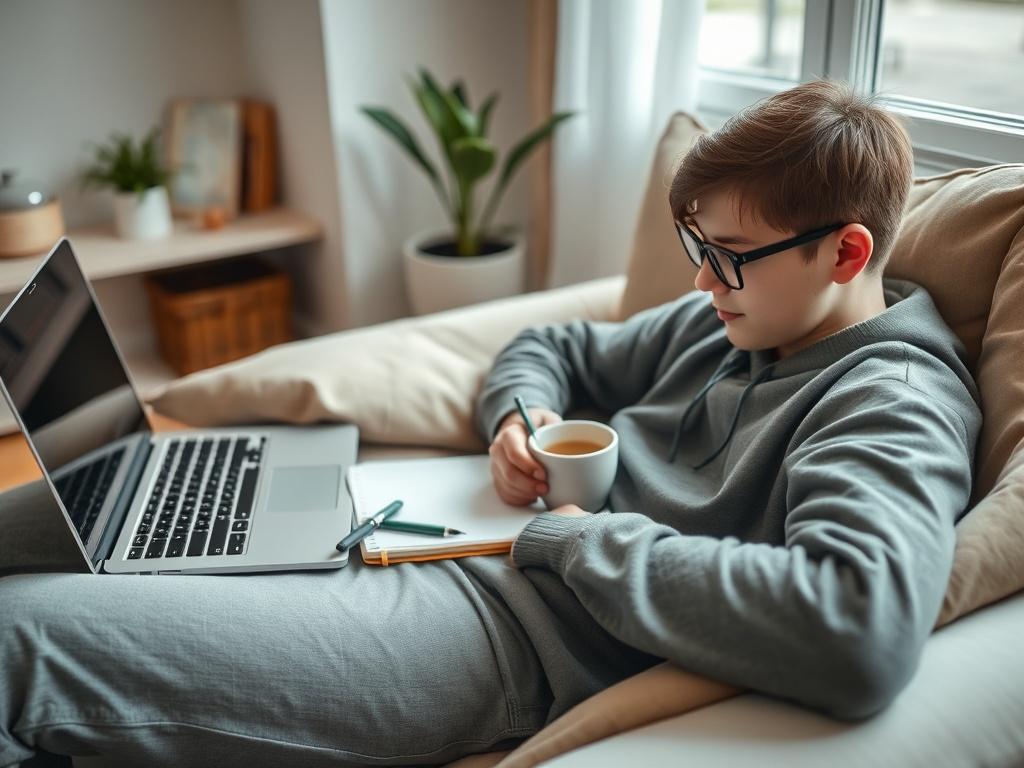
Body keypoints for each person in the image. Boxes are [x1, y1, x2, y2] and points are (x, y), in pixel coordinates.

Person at [0, 78, 980, 768]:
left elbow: (859, 629)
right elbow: (550, 346)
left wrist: (575, 541)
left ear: (845, 254)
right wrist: (524, 413)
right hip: (417, 519)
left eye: (727, 254)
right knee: (71, 507)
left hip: (496, 627)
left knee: (17, 638)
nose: (698, 279)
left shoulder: (887, 404)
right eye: (697, 246)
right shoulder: (728, 313)